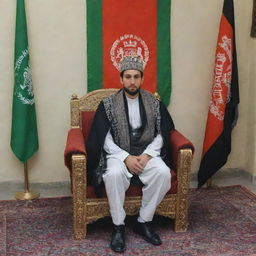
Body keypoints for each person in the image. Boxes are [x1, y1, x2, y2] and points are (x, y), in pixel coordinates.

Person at [86, 56, 175, 253]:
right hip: (118, 154)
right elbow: (105, 138)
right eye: (128, 77)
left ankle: (143, 220)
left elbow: (162, 133)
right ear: (121, 79)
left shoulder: (154, 102)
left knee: (162, 173)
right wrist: (125, 157)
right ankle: (118, 226)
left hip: (146, 153)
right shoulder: (108, 104)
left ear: (142, 79)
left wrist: (148, 155)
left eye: (136, 77)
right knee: (114, 175)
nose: (132, 81)